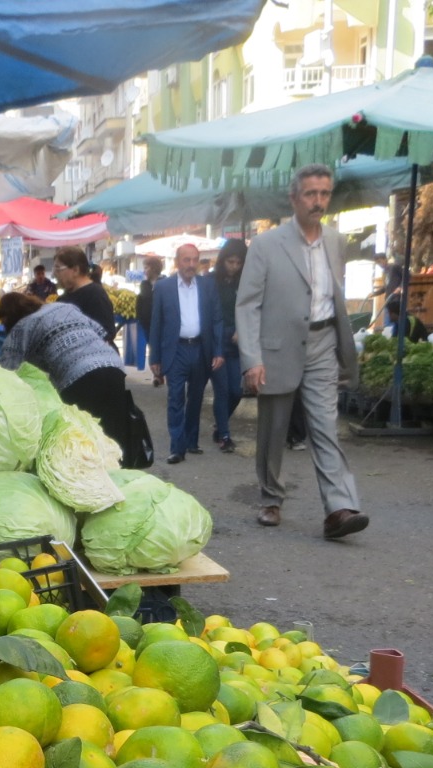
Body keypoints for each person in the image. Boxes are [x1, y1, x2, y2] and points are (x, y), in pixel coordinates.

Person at [238, 163, 368, 539]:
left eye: (324, 194)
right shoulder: (266, 244)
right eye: (311, 194)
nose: (318, 201)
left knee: (326, 427)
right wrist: (253, 358)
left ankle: (340, 508)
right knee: (274, 429)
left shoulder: (335, 240)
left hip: (323, 341)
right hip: (277, 347)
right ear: (294, 197)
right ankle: (270, 498)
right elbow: (247, 304)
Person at [0, 291, 151, 468]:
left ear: (10, 315)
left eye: (3, 321)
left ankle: (91, 477)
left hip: (78, 376)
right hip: (113, 366)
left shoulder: (23, 326)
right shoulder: (65, 307)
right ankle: (119, 474)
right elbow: (103, 333)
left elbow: (5, 370)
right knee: (111, 432)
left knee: (82, 435)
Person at [149, 243, 224, 463]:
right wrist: (154, 357)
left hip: (201, 348)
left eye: (194, 260)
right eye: (186, 260)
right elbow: (156, 323)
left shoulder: (208, 286)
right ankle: (177, 447)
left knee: (196, 397)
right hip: (176, 349)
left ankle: (191, 441)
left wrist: (218, 350)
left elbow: (218, 319)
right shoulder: (164, 287)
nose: (191, 265)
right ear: (177, 262)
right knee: (175, 397)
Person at [210, 239, 247, 452]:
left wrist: (241, 330)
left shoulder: (245, 283)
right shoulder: (212, 282)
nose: (233, 266)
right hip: (217, 342)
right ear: (223, 260)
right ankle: (224, 434)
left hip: (237, 342)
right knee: (222, 390)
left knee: (236, 391)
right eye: (230, 261)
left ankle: (220, 423)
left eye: (238, 262)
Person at [54, 247, 116, 344]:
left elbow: (107, 333)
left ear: (75, 270)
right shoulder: (63, 298)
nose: (55, 274)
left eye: (58, 269)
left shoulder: (96, 295)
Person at [136, 255, 164, 380]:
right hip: (147, 322)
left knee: (162, 347)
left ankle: (162, 371)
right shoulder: (144, 284)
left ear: (153, 268)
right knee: (152, 348)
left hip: (162, 323)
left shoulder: (164, 282)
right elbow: (141, 301)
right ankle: (157, 375)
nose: (144, 270)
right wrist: (140, 317)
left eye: (146, 267)